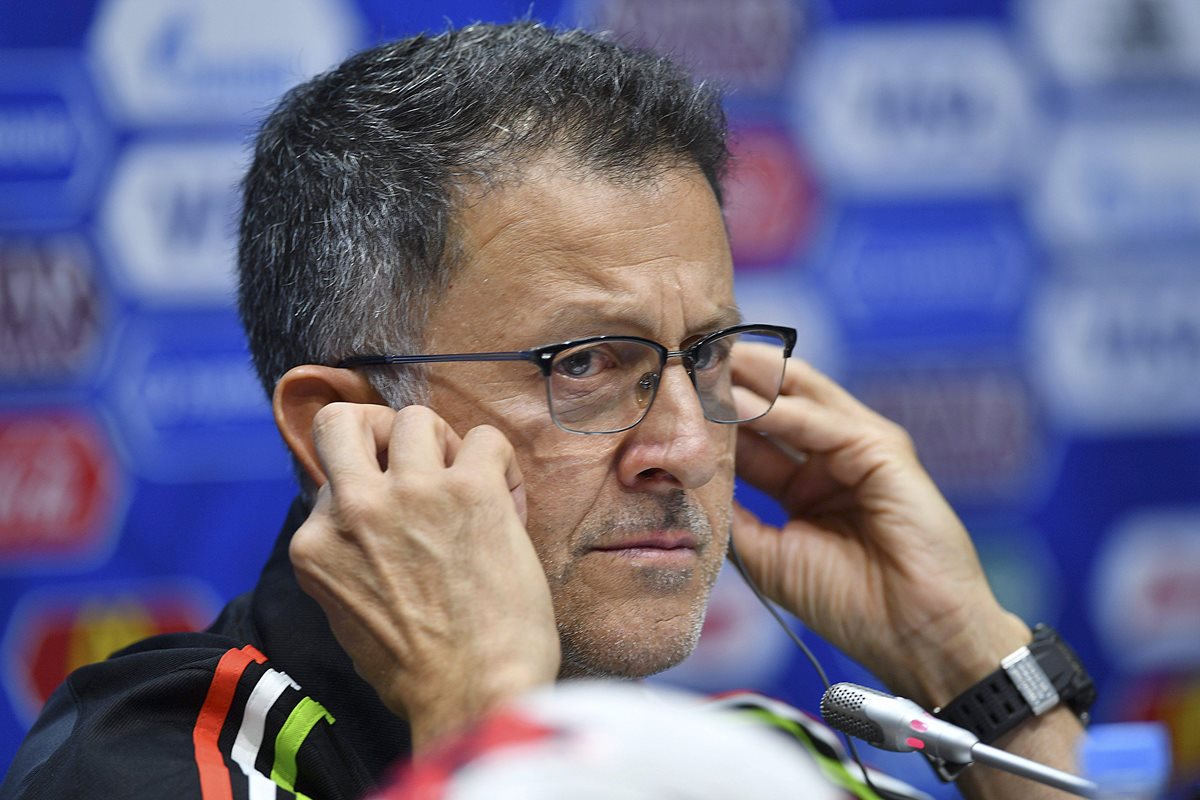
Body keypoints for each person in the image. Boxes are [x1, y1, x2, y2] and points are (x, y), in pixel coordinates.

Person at [2, 21, 1088, 800]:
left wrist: (975, 672)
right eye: (587, 363)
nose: (685, 444)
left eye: (708, 355)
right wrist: (487, 715)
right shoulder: (151, 764)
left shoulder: (756, 759)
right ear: (349, 427)